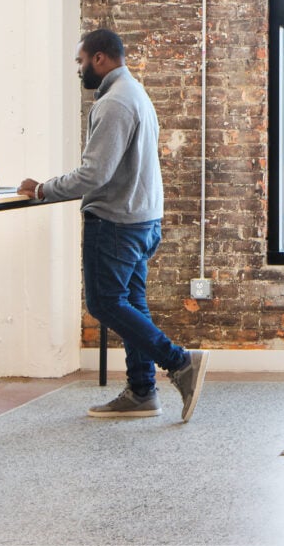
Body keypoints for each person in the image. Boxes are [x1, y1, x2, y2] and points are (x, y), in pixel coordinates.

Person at [19, 27, 206, 422]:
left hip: (116, 223)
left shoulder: (115, 102)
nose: (79, 69)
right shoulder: (135, 93)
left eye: (81, 60)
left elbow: (94, 174)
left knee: (104, 302)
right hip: (141, 219)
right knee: (131, 303)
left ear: (99, 58)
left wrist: (42, 190)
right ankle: (142, 392)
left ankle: (179, 361)